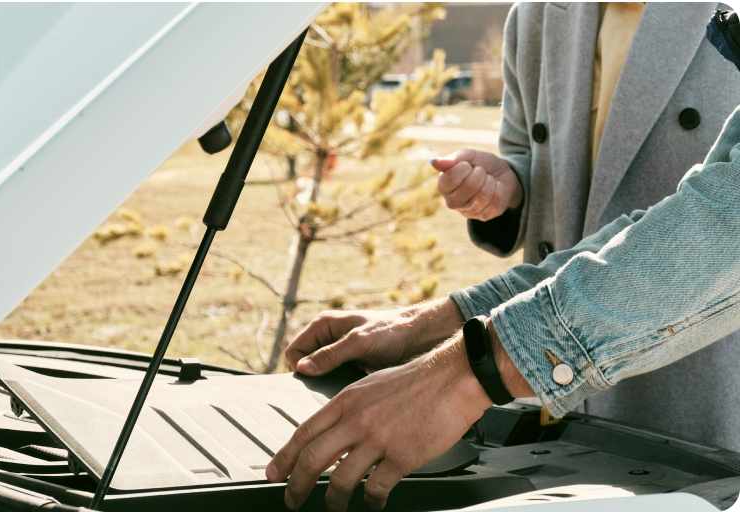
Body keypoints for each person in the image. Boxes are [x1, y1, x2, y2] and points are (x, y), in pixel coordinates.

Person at [263, 7, 740, 512]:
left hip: (698, 375)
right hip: (581, 378)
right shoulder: (537, 15)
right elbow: (661, 220)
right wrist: (444, 319)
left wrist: (468, 371)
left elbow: (723, 225)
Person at [430, 1, 740, 452]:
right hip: (542, 360)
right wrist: (509, 185)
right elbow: (528, 147)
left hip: (691, 358)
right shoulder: (534, 15)